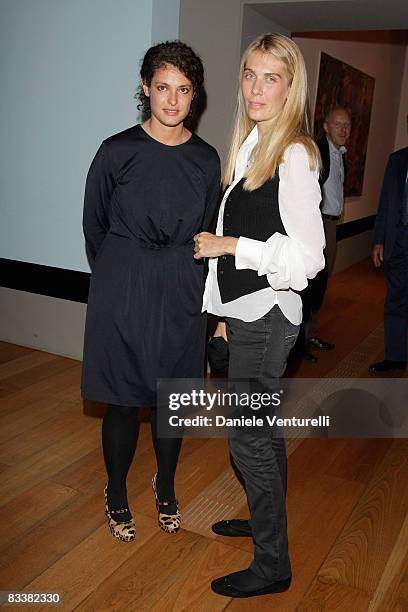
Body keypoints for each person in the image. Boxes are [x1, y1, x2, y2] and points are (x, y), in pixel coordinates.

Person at [194, 33, 325, 598]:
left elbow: (307, 258)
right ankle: (264, 521)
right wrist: (221, 313)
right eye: (250, 74)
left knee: (248, 440)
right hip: (248, 313)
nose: (256, 87)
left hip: (270, 318)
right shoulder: (251, 142)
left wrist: (232, 247)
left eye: (271, 77)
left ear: (291, 87)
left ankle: (273, 563)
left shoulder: (293, 154)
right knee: (261, 436)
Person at [81, 41, 220, 542]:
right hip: (123, 284)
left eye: (183, 90)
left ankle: (165, 486)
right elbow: (93, 224)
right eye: (163, 88)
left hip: (181, 285)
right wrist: (124, 270)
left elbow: (206, 226)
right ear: (145, 88)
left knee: (173, 397)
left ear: (194, 96)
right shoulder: (116, 150)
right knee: (121, 399)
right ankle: (116, 491)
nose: (172, 100)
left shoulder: (206, 159)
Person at [303, 106, 351, 357]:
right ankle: (299, 343)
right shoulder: (317, 150)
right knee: (310, 283)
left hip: (331, 224)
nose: (343, 130)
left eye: (347, 125)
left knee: (321, 283)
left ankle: (310, 335)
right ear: (325, 127)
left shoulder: (340, 153)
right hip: (316, 224)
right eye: (338, 124)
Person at [369, 146, 408, 373]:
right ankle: (395, 357)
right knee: (395, 300)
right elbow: (385, 202)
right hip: (397, 241)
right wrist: (379, 240)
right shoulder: (397, 160)